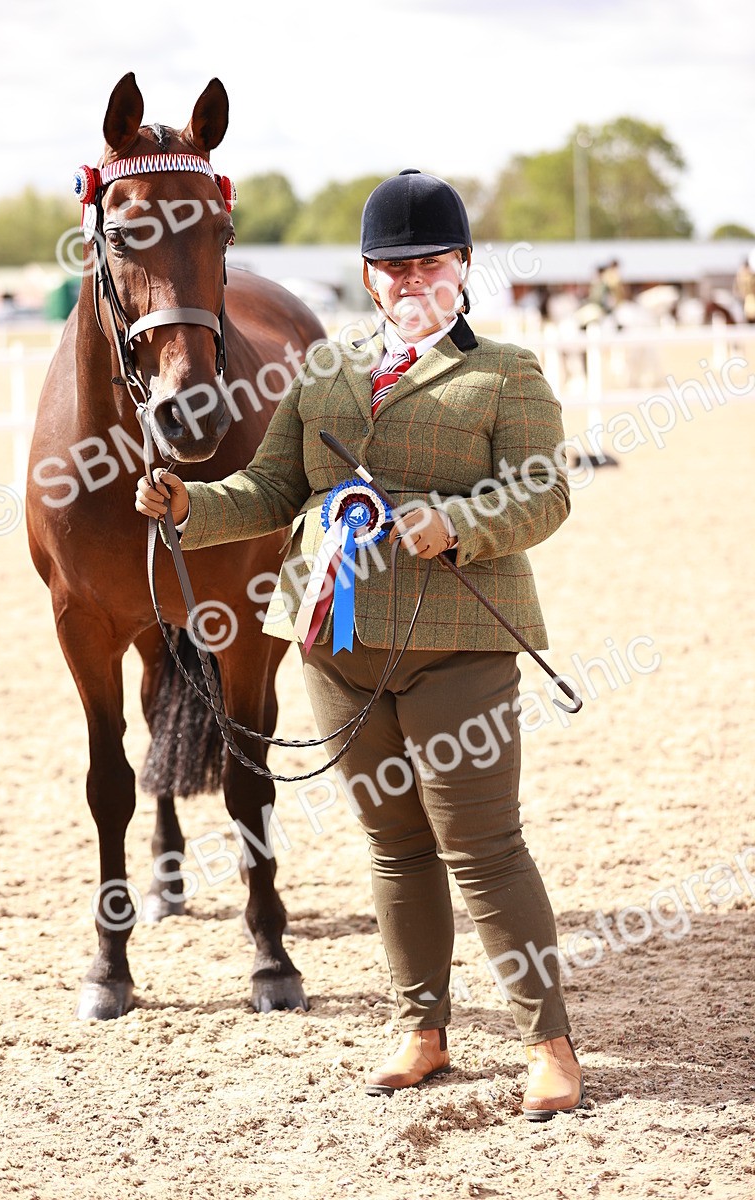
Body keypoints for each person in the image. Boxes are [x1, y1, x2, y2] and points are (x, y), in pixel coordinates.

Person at [135, 169, 583, 1121]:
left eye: (430, 261)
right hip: (334, 640)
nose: (410, 278)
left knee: (484, 844)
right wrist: (190, 506)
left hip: (460, 639)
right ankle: (423, 1030)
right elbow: (269, 492)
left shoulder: (507, 372)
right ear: (370, 276)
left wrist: (459, 522)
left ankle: (549, 1041)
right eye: (392, 264)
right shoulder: (325, 370)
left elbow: (545, 493)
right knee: (392, 844)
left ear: (463, 267)